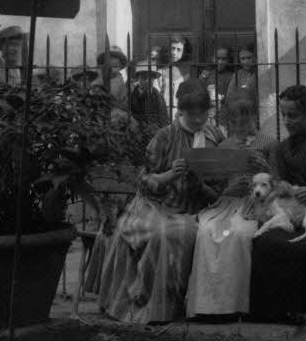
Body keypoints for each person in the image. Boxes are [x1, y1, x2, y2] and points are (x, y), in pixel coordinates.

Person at [89, 80, 224, 323]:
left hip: (194, 208)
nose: (197, 120)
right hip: (155, 204)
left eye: (202, 114)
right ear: (181, 111)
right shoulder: (165, 136)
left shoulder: (215, 136)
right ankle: (146, 302)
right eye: (191, 115)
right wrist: (170, 175)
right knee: (162, 232)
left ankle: (177, 302)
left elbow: (219, 187)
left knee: (181, 232)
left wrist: (200, 185)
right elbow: (143, 179)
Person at [248, 85, 306, 323]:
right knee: (266, 241)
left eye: (293, 115)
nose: (287, 121)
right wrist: (277, 181)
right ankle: (272, 313)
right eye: (283, 115)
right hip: (291, 212)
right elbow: (278, 187)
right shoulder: (282, 150)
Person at [186, 94, 280, 318]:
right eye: (234, 119)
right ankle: (206, 306)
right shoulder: (225, 145)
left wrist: (266, 168)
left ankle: (234, 305)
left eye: (244, 118)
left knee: (238, 234)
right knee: (206, 232)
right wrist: (207, 180)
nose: (239, 124)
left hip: (255, 204)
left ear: (254, 116)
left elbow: (280, 182)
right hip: (227, 203)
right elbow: (217, 186)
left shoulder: (269, 143)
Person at [221, 42, 259, 115]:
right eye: (242, 59)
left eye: (249, 58)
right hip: (239, 112)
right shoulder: (238, 74)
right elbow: (229, 96)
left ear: (255, 57)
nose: (246, 61)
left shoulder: (261, 72)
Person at [162, 35, 193, 118]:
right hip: (164, 113)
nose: (174, 52)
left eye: (178, 49)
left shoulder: (189, 71)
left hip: (183, 113)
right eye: (173, 48)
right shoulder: (162, 70)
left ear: (184, 52)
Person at [96, 46, 129, 110]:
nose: (111, 69)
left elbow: (124, 100)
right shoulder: (99, 77)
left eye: (115, 66)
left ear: (120, 67)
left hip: (115, 109)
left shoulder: (121, 80)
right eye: (108, 66)